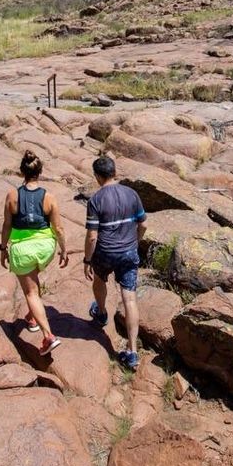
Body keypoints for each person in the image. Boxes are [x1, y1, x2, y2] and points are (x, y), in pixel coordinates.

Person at [0, 150, 68, 355]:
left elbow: (7, 225)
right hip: (45, 247)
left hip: (23, 249)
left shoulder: (12, 196)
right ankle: (31, 318)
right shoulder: (49, 197)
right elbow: (58, 229)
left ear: (22, 172)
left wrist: (3, 248)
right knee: (33, 281)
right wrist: (64, 250)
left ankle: (48, 336)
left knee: (30, 292)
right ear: (40, 172)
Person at [83, 156, 146, 370]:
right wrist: (134, 243)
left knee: (99, 279)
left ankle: (101, 313)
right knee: (129, 299)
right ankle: (132, 352)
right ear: (114, 172)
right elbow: (143, 225)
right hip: (128, 252)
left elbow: (92, 236)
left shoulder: (96, 200)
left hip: (105, 252)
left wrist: (87, 259)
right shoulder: (131, 194)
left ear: (97, 176)